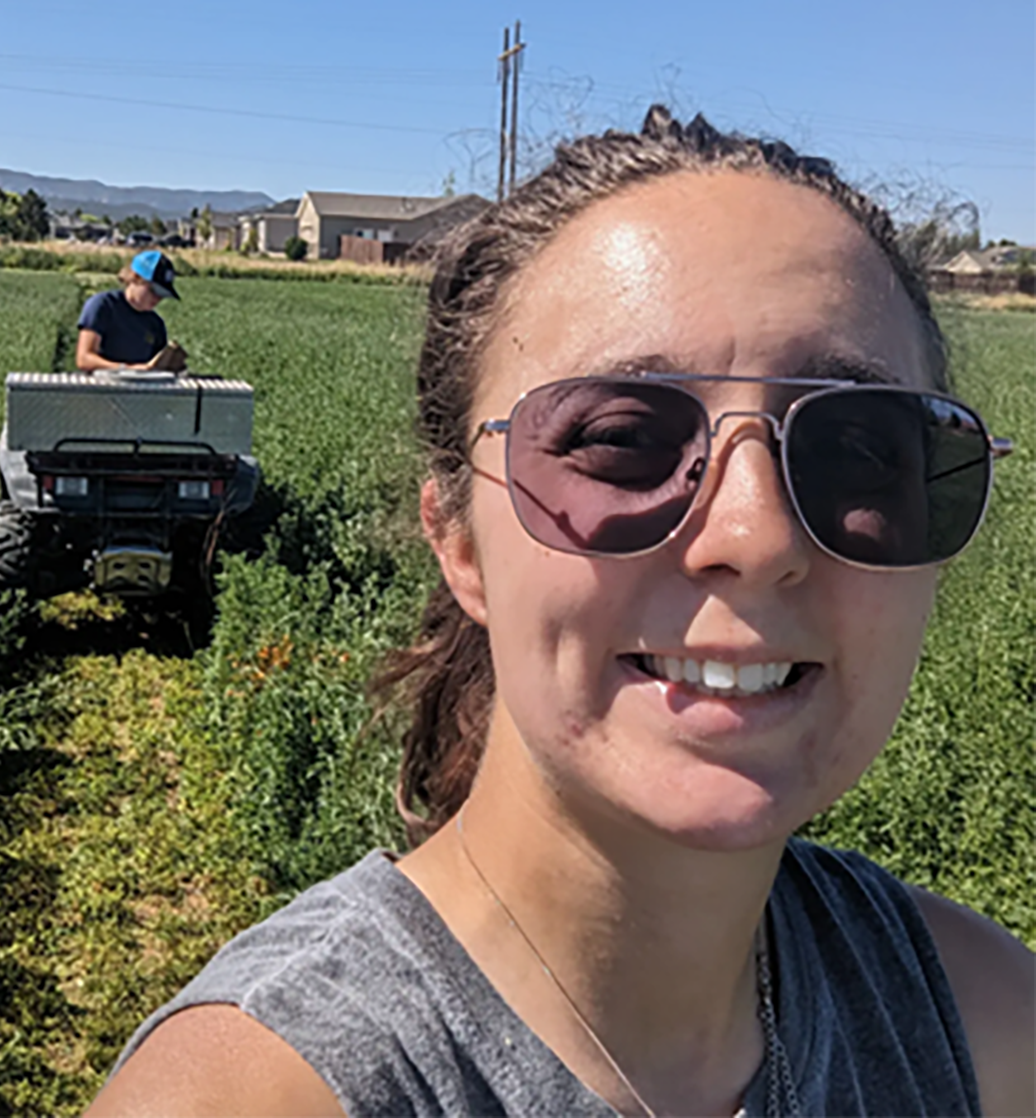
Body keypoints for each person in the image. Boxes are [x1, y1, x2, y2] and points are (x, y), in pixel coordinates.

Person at [86, 108, 1036, 1117]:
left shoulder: (986, 1027)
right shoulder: (261, 1096)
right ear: (459, 540)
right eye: (621, 440)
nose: (756, 536)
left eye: (861, 448)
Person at [76, 249, 187, 372]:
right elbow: (84, 359)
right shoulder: (103, 306)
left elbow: (155, 366)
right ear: (136, 278)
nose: (158, 298)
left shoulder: (155, 324)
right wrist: (127, 369)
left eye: (162, 295)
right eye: (154, 291)